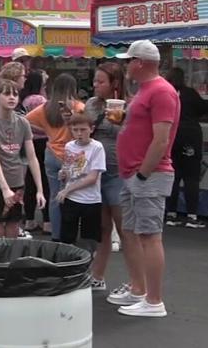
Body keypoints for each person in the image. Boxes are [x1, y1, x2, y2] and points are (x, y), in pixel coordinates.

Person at [108, 40, 179, 318]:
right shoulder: (146, 91)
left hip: (148, 174)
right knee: (133, 233)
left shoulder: (161, 91)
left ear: (139, 62)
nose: (126, 66)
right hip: (134, 174)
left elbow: (161, 140)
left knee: (149, 235)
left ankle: (154, 300)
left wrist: (142, 173)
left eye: (129, 61)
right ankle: (139, 289)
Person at [0, 79, 45, 239]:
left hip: (17, 181)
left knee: (14, 225)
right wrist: (4, 189)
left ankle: (11, 261)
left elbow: (32, 157)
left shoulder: (23, 123)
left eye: (15, 94)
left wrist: (40, 190)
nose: (12, 98)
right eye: (7, 93)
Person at [87, 62, 129, 290]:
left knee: (125, 230)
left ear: (115, 83)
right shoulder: (93, 104)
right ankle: (98, 276)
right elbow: (82, 129)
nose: (95, 85)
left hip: (119, 171)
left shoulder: (129, 105)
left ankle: (136, 283)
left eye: (101, 81)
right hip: (97, 172)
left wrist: (122, 121)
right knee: (102, 228)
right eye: (95, 80)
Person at [26, 74, 84, 241]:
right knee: (72, 196)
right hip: (72, 154)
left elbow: (25, 120)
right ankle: (69, 234)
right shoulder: (78, 107)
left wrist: (45, 131)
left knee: (54, 196)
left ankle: (56, 234)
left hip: (51, 153)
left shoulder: (46, 108)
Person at [165, 67, 208, 228]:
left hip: (171, 135)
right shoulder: (189, 93)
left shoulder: (165, 93)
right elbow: (204, 108)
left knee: (173, 176)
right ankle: (192, 216)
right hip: (190, 136)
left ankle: (171, 213)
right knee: (191, 177)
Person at [56, 113, 106, 248]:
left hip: (90, 199)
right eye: (75, 130)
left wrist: (67, 190)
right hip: (71, 198)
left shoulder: (97, 147)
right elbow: (68, 169)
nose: (79, 133)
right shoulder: (69, 146)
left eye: (83, 130)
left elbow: (92, 177)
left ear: (91, 129)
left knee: (89, 240)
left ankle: (88, 265)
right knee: (67, 238)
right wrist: (63, 174)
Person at [20, 70, 50, 235]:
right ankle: (47, 220)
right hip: (42, 142)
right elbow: (44, 120)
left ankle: (30, 218)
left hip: (28, 142)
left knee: (30, 180)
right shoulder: (39, 100)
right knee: (44, 181)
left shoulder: (24, 100)